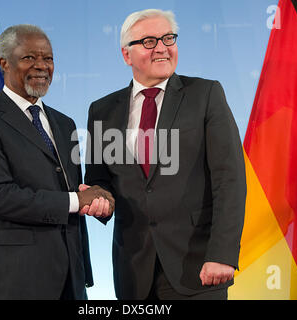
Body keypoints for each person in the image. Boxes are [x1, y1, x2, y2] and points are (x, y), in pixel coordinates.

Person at [84, 9, 246, 300]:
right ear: (126, 55)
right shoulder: (102, 110)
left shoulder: (206, 94)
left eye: (168, 38)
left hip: (198, 268)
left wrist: (223, 253)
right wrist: (99, 201)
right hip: (133, 272)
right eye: (148, 41)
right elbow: (99, 181)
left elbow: (230, 179)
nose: (162, 48)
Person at [0, 24, 114, 300]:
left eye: (48, 58)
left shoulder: (65, 124)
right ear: (4, 63)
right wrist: (77, 201)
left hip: (70, 280)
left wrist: (100, 201)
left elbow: (75, 191)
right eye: (30, 57)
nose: (42, 66)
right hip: (12, 281)